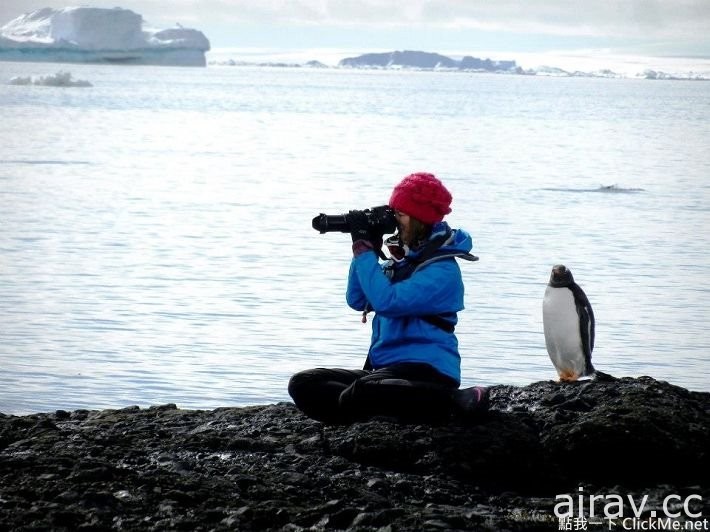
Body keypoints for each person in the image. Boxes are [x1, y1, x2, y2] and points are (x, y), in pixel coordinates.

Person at [288, 172, 489, 424]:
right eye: (394, 212)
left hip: (428, 371)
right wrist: (366, 245)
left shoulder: (442, 271)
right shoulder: (402, 261)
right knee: (304, 384)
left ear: (420, 219)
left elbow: (387, 302)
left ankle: (455, 399)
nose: (395, 220)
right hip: (386, 372)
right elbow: (357, 299)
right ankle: (374, 414)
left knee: (360, 393)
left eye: (401, 214)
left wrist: (364, 251)